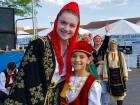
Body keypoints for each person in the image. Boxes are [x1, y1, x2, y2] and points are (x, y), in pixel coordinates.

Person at [4, 2, 80, 105]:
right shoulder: (39, 45)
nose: (66, 29)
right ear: (56, 21)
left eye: (72, 25)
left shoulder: (72, 50)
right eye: (63, 22)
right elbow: (25, 80)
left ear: (76, 28)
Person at [60, 41, 101, 105]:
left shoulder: (93, 85)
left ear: (88, 60)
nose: (77, 60)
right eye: (74, 56)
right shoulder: (65, 78)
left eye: (82, 57)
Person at [103, 39, 128, 105]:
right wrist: (105, 77)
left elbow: (124, 65)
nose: (113, 45)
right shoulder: (107, 55)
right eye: (112, 44)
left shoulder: (120, 54)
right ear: (110, 45)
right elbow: (105, 66)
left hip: (119, 73)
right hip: (111, 73)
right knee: (112, 90)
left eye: (114, 44)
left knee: (120, 91)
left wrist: (125, 75)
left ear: (117, 45)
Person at [92, 24, 111, 105]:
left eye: (99, 39)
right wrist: (97, 62)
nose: (98, 40)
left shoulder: (103, 48)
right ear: (94, 40)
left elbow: (106, 41)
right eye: (96, 39)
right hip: (93, 72)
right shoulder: (91, 49)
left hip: (103, 72)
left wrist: (107, 32)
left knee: (105, 91)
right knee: (96, 92)